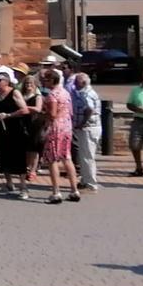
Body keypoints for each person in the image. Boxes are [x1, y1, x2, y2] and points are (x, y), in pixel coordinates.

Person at [0, 67, 31, 199]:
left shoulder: (14, 93)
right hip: (1, 130)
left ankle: (23, 187)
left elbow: (25, 110)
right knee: (2, 157)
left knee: (18, 158)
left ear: (6, 81)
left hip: (15, 130)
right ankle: (9, 184)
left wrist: (9, 115)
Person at [41, 70, 81, 204]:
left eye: (46, 80)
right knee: (66, 157)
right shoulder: (65, 92)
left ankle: (56, 191)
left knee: (52, 160)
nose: (43, 82)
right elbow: (70, 111)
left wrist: (42, 113)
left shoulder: (53, 95)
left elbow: (52, 114)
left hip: (55, 127)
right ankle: (74, 189)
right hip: (66, 126)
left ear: (52, 80)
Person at [70, 72, 102, 191]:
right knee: (84, 155)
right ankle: (85, 179)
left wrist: (81, 123)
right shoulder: (84, 92)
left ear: (83, 82)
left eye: (76, 82)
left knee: (87, 156)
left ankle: (91, 183)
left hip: (88, 128)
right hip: (88, 128)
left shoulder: (86, 94)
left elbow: (89, 109)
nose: (74, 84)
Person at [18, 67, 43, 182]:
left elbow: (38, 109)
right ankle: (27, 168)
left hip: (34, 123)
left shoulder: (38, 96)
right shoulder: (21, 95)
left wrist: (25, 107)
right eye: (27, 83)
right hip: (23, 123)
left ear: (35, 85)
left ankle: (33, 170)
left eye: (31, 83)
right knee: (25, 147)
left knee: (34, 148)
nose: (28, 85)